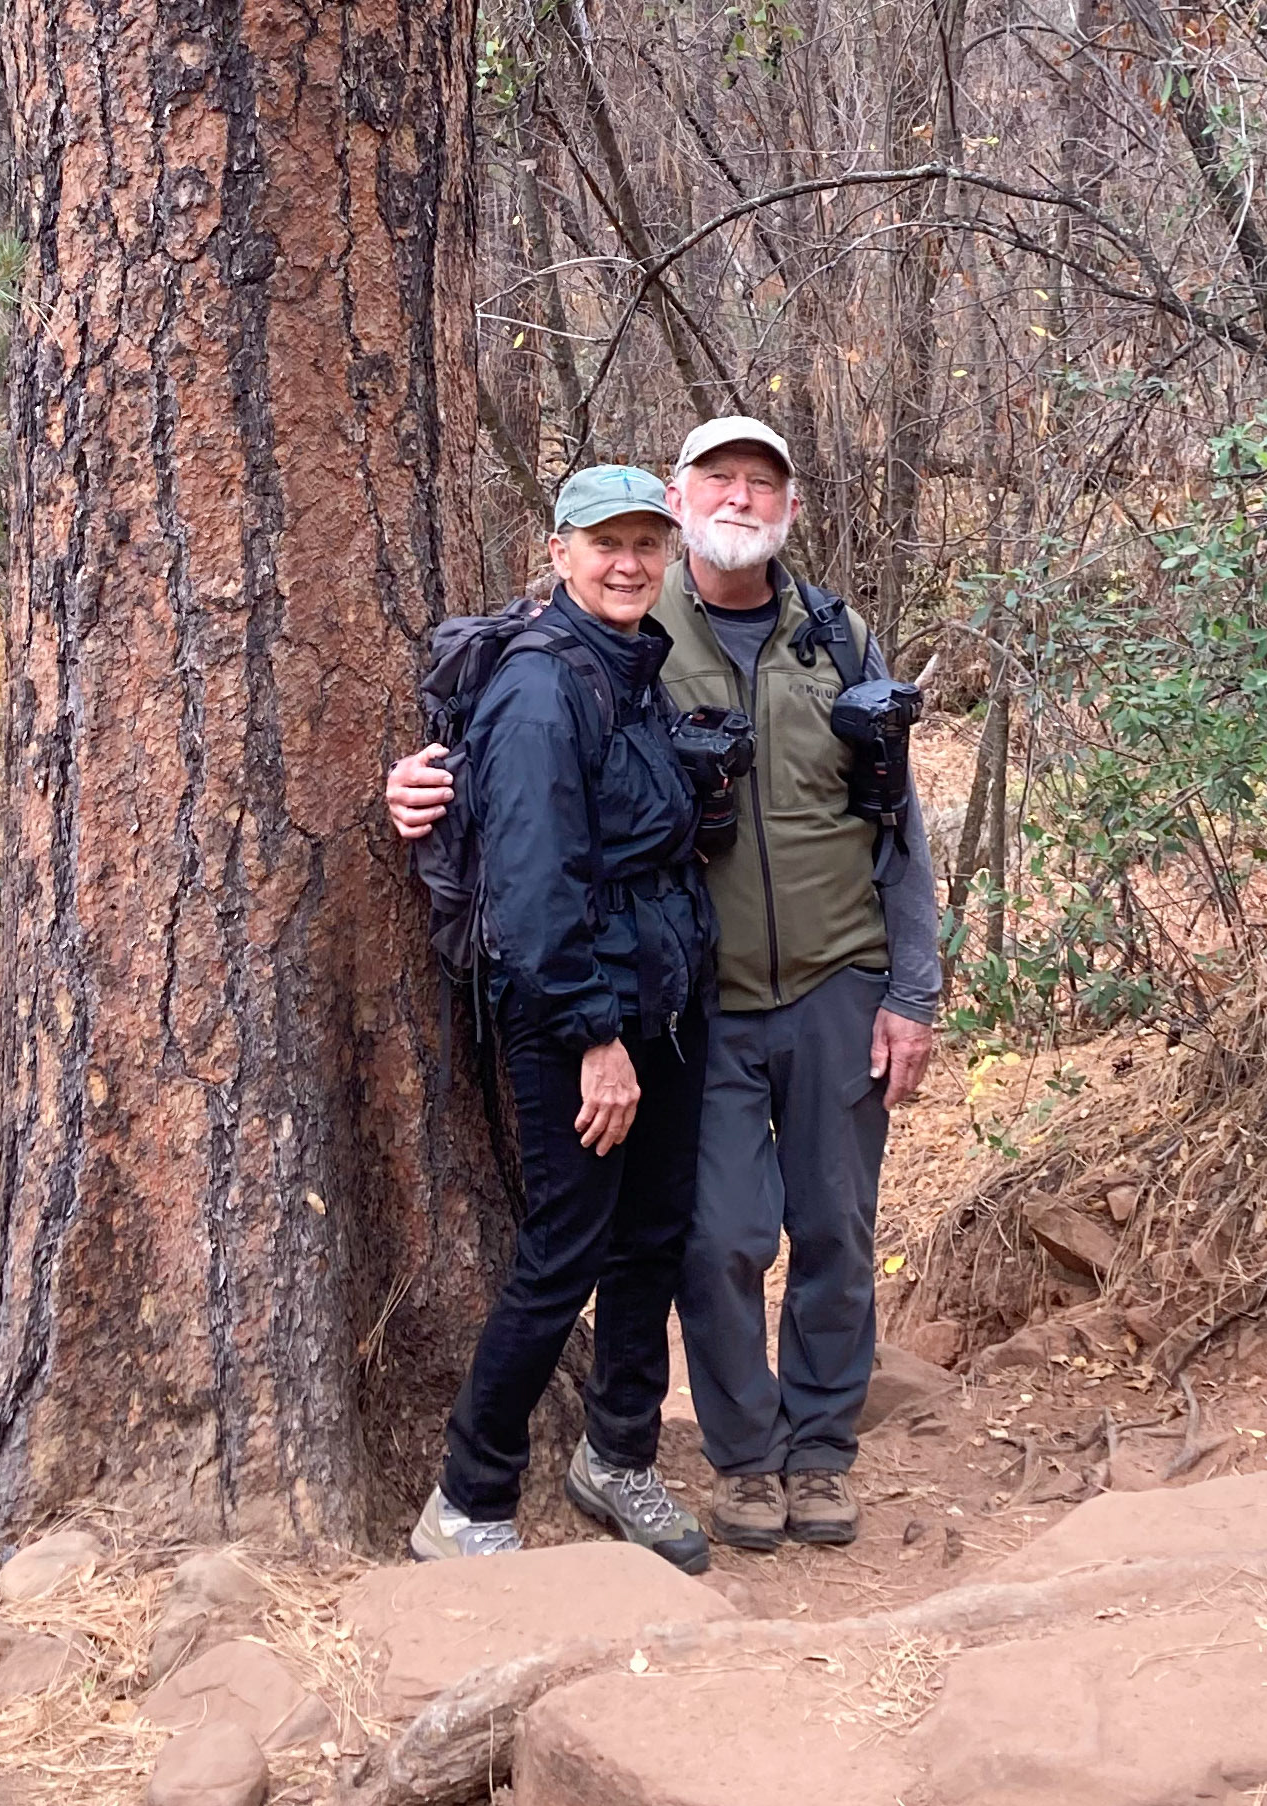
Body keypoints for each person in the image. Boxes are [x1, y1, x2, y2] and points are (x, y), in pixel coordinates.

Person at [392, 419, 940, 1555]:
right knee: (712, 1239)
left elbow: (899, 822)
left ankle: (801, 1453)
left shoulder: (829, 637)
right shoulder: (604, 636)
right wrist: (410, 781)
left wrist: (913, 988)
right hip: (686, 1004)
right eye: (716, 481)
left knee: (813, 1227)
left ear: (787, 507)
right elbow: (507, 763)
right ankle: (727, 1462)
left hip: (804, 984)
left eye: (763, 483)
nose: (737, 500)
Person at [408, 464, 716, 1572]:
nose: (628, 562)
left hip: (663, 999)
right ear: (559, 552)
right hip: (577, 1015)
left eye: (646, 543)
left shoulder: (635, 668)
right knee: (565, 1251)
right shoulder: (542, 689)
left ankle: (616, 1456)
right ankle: (466, 1498)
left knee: (652, 1237)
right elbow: (536, 894)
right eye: (605, 542)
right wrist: (596, 1039)